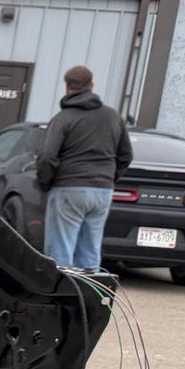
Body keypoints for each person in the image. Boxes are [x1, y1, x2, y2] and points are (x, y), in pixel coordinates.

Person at [36, 65, 133, 272]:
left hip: (68, 188)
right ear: (91, 85)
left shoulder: (63, 118)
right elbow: (126, 155)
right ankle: (91, 298)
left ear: (67, 87)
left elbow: (47, 157)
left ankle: (61, 298)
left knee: (60, 253)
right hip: (103, 191)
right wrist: (110, 178)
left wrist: (46, 182)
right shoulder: (113, 117)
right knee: (90, 252)